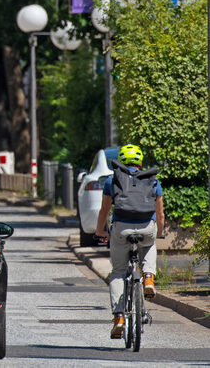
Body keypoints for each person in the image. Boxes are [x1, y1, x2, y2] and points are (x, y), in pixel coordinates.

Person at [95, 144, 164, 339]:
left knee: (118, 271)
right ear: (140, 162)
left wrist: (101, 231)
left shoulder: (112, 180)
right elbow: (160, 213)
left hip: (121, 229)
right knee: (149, 245)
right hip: (146, 227)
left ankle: (119, 318)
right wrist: (159, 232)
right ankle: (148, 277)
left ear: (122, 161)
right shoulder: (153, 180)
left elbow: (104, 211)